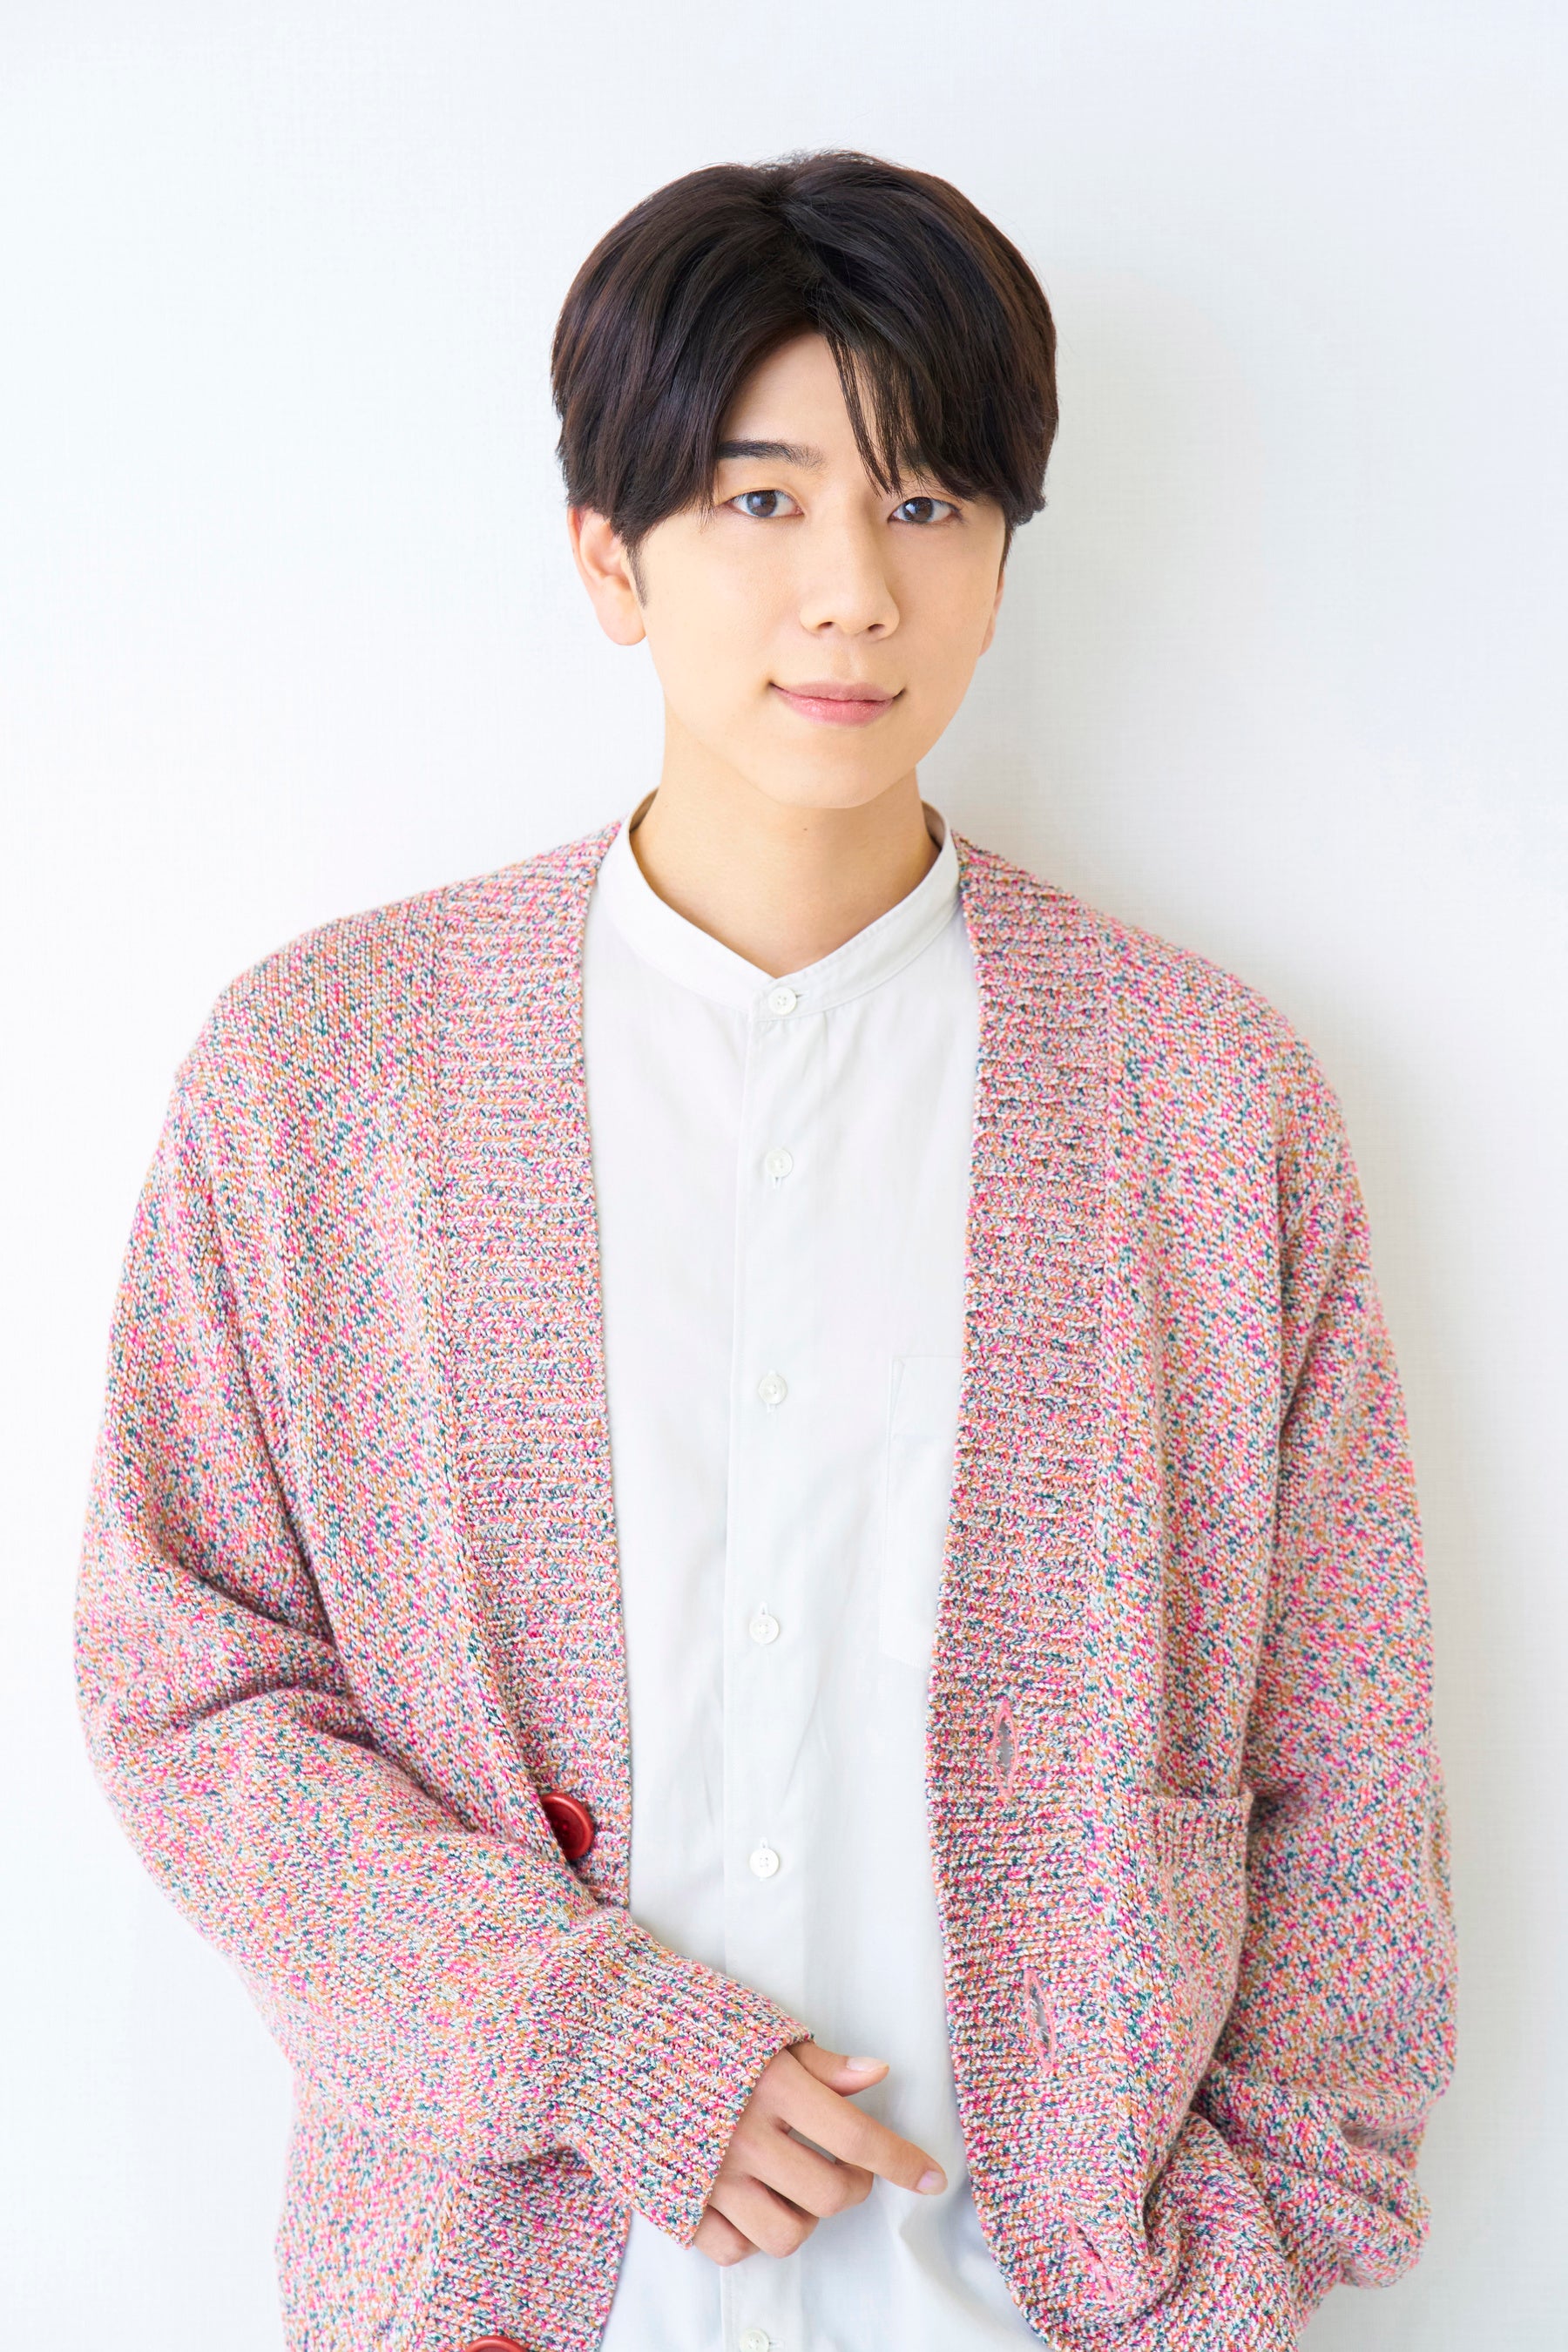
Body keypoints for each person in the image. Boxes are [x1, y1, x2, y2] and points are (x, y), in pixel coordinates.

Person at [74, 150, 1456, 2352]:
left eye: (925, 504)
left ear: (1001, 557)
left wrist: (1238, 2268)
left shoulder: (1208, 1104)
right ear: (607, 555)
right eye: (759, 499)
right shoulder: (325, 1075)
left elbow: (1347, 1757)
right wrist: (580, 2037)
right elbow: (185, 1677)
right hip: (503, 2296)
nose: (852, 594)